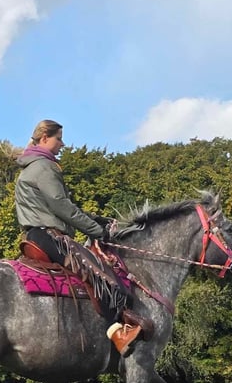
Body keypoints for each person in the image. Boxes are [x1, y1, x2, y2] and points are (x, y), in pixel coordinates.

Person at [14, 119, 152, 356]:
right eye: (59, 138)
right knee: (100, 273)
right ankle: (118, 334)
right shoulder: (45, 167)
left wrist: (98, 219)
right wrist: (97, 231)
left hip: (36, 234)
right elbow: (62, 207)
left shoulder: (31, 168)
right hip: (50, 235)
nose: (62, 144)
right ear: (45, 138)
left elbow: (65, 206)